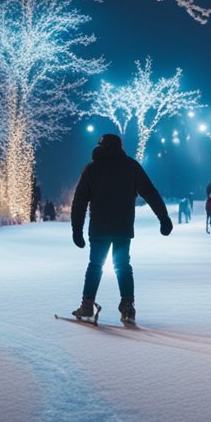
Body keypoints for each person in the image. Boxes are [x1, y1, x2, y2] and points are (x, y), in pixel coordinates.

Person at [70, 133, 173, 323]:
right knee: (123, 266)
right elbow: (150, 192)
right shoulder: (130, 167)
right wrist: (163, 218)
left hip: (99, 229)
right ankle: (127, 306)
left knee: (95, 266)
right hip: (122, 228)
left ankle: (87, 304)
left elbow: (79, 202)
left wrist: (77, 229)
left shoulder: (92, 169)